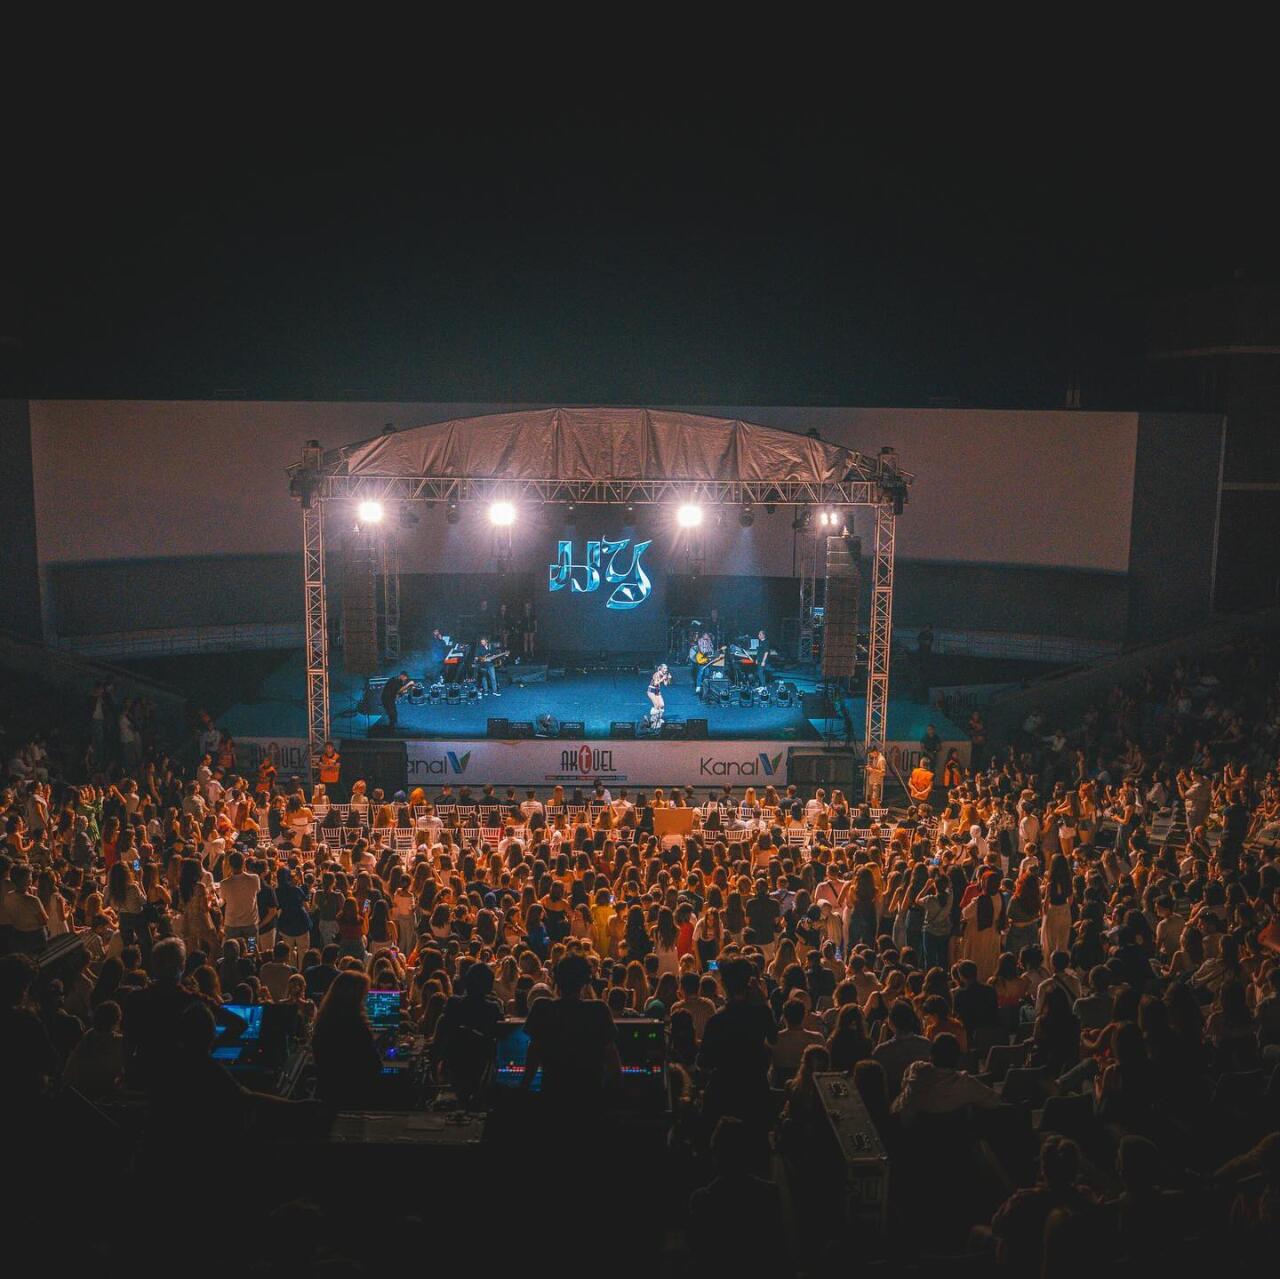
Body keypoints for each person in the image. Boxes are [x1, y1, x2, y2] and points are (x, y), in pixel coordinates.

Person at [521, 953, 620, 1106]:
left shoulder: (542, 1008)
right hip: (590, 1097)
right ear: (585, 980)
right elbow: (612, 1060)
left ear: (557, 979)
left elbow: (533, 1056)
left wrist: (522, 1091)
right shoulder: (599, 1010)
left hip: (553, 1095)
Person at [311, 969, 381, 1107]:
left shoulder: (322, 1023)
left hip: (327, 1095)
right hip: (355, 1097)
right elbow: (375, 1066)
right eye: (364, 996)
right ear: (356, 998)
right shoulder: (358, 1028)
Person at [646, 663, 671, 729]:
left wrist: (669, 679)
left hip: (657, 691)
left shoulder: (665, 674)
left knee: (662, 705)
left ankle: (658, 719)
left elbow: (666, 684)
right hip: (651, 690)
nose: (666, 670)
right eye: (664, 668)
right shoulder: (656, 674)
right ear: (661, 668)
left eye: (666, 668)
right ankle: (653, 720)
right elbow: (655, 683)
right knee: (656, 705)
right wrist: (663, 679)